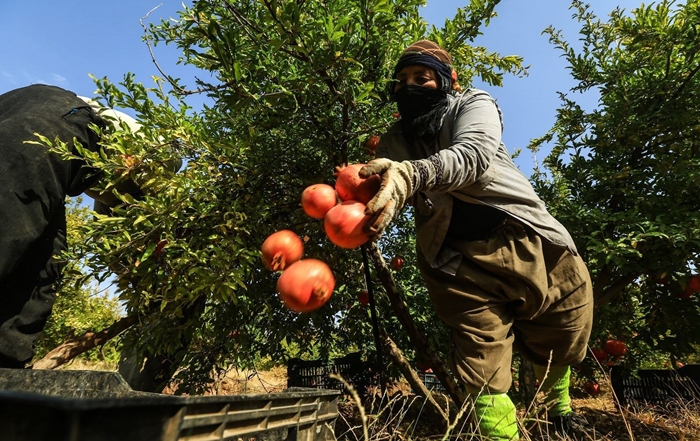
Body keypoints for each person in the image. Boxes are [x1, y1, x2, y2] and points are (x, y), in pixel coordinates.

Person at [359, 40, 594, 439]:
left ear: (449, 81)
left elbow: (473, 157)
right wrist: (351, 201)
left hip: (526, 236)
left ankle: (559, 411)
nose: (410, 86)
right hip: (457, 264)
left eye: (421, 77)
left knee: (563, 330)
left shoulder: (473, 103)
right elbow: (378, 185)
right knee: (480, 366)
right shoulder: (396, 138)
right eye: (402, 80)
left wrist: (412, 174)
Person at [0, 84, 161, 369]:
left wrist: (130, 272)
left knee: (47, 260)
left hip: (39, 114)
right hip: (56, 115)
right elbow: (136, 223)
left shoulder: (116, 194)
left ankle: (5, 366)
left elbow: (107, 233)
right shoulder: (161, 166)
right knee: (10, 224)